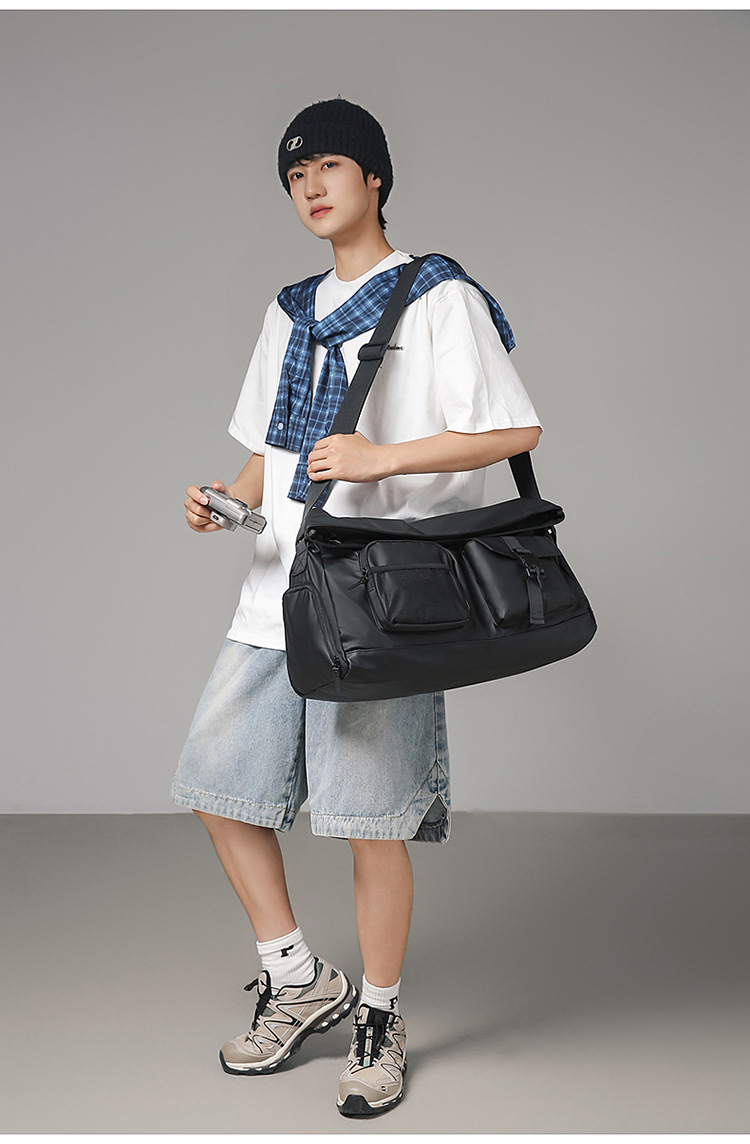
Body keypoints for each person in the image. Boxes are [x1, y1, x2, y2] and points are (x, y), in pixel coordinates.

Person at [171, 96, 543, 1118]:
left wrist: (385, 459)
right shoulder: (288, 310)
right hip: (278, 583)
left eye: (330, 167)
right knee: (216, 784)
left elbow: (514, 430)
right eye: (295, 176)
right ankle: (298, 977)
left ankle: (379, 1014)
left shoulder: (436, 296)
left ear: (375, 176)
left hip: (381, 596)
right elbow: (274, 445)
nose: (311, 187)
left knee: (368, 820)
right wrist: (226, 498)